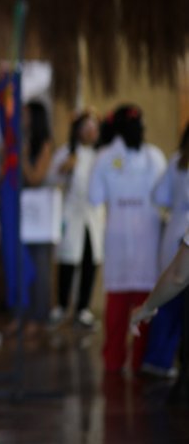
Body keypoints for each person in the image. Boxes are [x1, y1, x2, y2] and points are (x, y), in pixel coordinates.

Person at [88, 104, 166, 374]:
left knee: (132, 309)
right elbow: (95, 196)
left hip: (132, 240)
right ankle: (125, 361)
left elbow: (95, 197)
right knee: (130, 308)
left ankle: (125, 361)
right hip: (133, 241)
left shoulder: (111, 157)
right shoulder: (144, 157)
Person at [139, 123, 189, 376]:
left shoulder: (177, 161)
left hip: (174, 233)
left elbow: (159, 196)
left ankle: (157, 360)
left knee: (168, 300)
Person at [48, 111, 104, 329]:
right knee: (68, 260)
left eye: (94, 128)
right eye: (86, 128)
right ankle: (62, 305)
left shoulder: (101, 155)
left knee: (91, 260)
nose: (91, 132)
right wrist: (64, 169)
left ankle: (83, 308)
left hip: (94, 216)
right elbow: (51, 179)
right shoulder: (66, 153)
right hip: (72, 214)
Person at [20, 100, 56, 331]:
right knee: (25, 264)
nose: (21, 118)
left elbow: (35, 178)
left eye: (25, 114)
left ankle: (39, 316)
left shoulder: (44, 144)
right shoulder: (25, 141)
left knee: (40, 265)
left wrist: (22, 157)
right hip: (26, 211)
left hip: (39, 213)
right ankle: (25, 315)